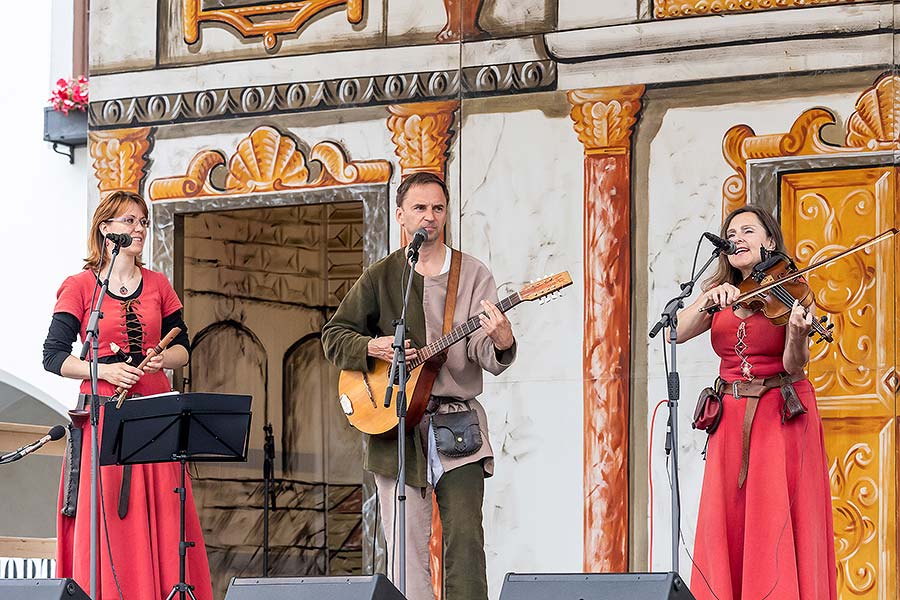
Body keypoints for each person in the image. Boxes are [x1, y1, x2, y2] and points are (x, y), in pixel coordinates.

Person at [322, 172, 516, 600]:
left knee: (465, 542)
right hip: (394, 425)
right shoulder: (381, 275)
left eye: (438, 208)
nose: (430, 217)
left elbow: (484, 349)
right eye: (420, 208)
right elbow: (334, 336)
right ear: (400, 216)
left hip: (457, 423)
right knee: (404, 553)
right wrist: (374, 346)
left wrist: (501, 341)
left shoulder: (473, 273)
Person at [42, 191, 213, 600]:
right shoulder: (81, 286)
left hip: (157, 416)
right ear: (106, 228)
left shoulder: (158, 283)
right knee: (110, 526)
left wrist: (162, 360)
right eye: (129, 221)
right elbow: (53, 357)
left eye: (142, 221)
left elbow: (183, 348)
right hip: (104, 421)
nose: (139, 229)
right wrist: (104, 369)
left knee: (165, 519)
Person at [677, 206, 836, 600]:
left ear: (769, 240)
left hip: (780, 413)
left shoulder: (793, 288)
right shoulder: (719, 293)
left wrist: (798, 334)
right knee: (727, 520)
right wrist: (709, 300)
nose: (739, 237)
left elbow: (795, 364)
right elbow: (675, 332)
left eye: (749, 230)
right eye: (732, 232)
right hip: (729, 418)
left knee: (774, 518)